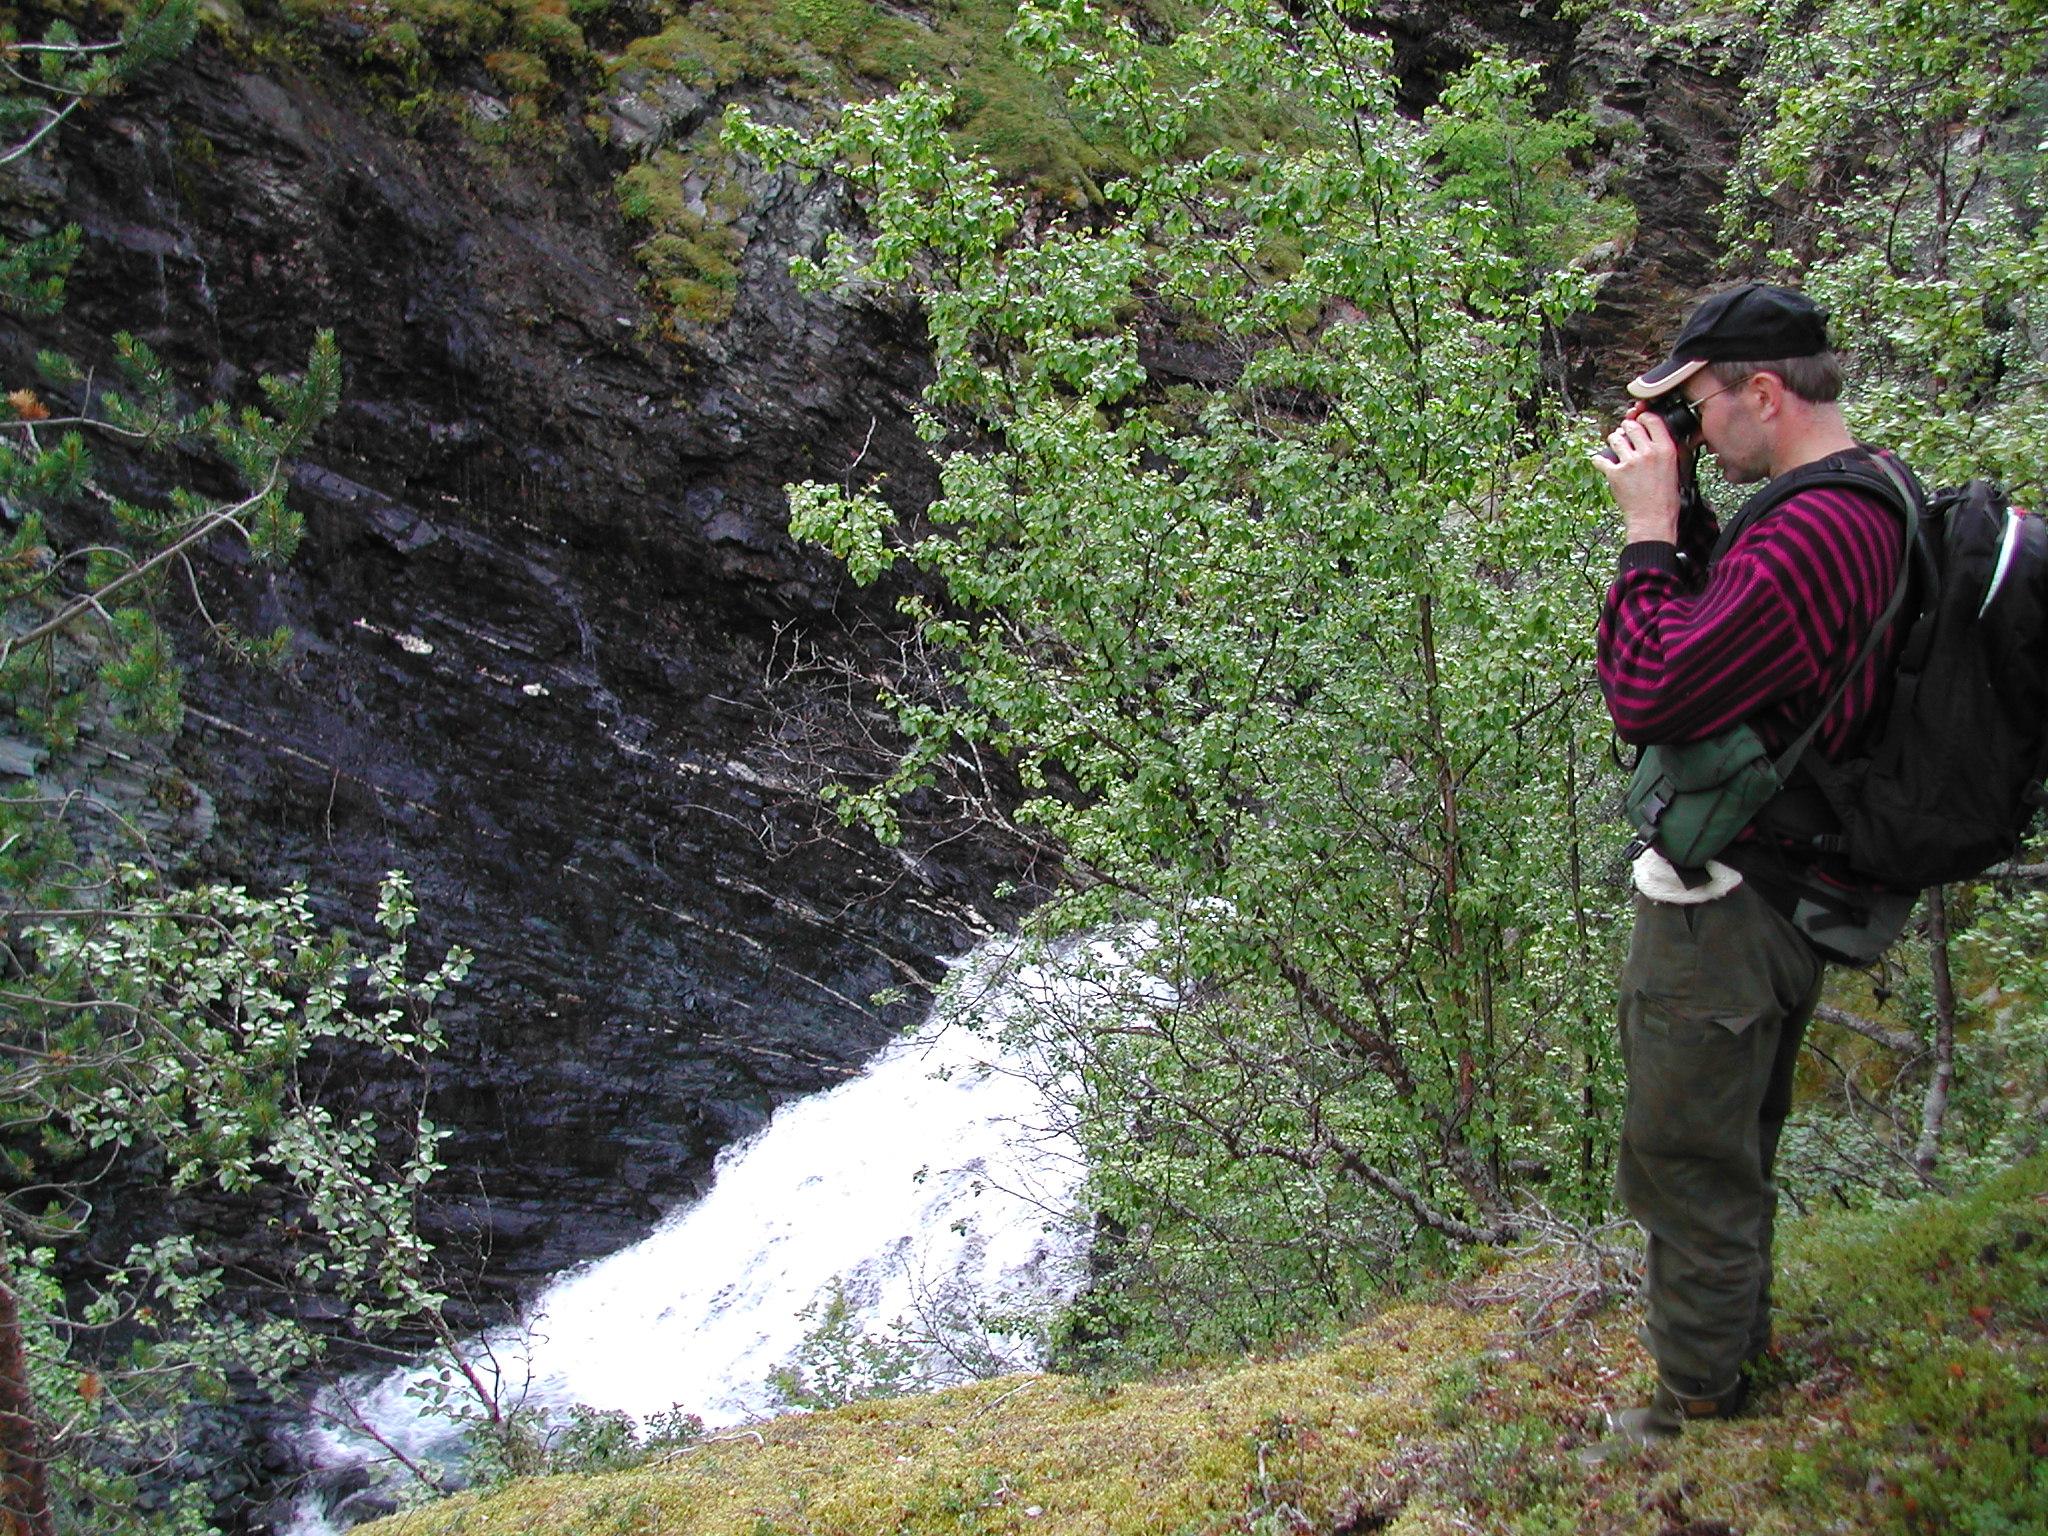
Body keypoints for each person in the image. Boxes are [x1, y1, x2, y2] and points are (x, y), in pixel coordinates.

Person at [1589, 283, 1914, 1447]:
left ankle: (1693, 1416)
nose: (1689, 434)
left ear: (1761, 391)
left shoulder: (1817, 528)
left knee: (1684, 1161)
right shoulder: (1859, 500)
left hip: (1730, 909)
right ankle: (1733, 1358)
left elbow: (1649, 687)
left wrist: (1644, 531)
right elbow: (1750, 657)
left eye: (1697, 405)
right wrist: (1685, 522)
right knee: (1730, 1146)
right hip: (1783, 883)